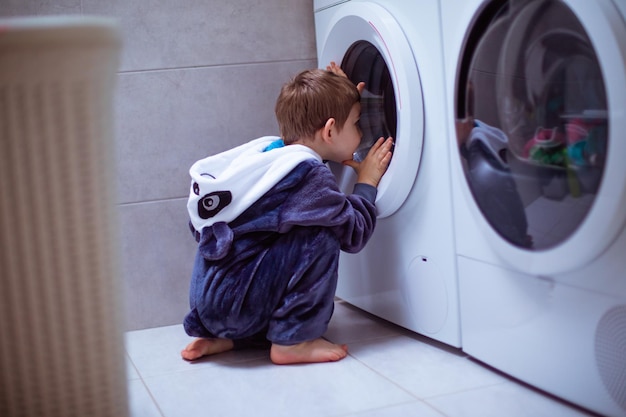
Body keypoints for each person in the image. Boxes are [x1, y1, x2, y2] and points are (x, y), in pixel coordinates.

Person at [181, 62, 393, 365]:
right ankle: (294, 341)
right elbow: (354, 232)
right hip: (239, 305)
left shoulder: (269, 159)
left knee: (254, 247)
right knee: (321, 233)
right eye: (357, 123)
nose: (362, 131)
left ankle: (225, 337)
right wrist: (367, 181)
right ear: (330, 129)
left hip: (210, 306)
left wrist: (343, 98)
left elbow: (312, 188)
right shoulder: (308, 177)